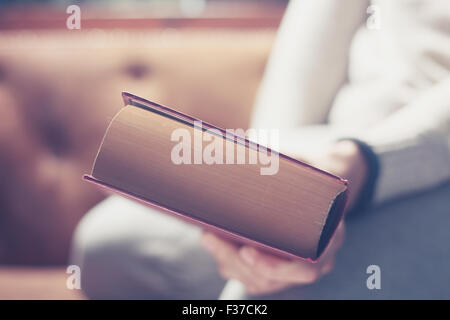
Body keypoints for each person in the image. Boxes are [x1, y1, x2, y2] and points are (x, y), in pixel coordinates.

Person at [71, 0, 450, 299]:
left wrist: (359, 163)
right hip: (331, 150)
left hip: (424, 173)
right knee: (107, 247)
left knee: (271, 292)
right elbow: (315, 43)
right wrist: (267, 192)